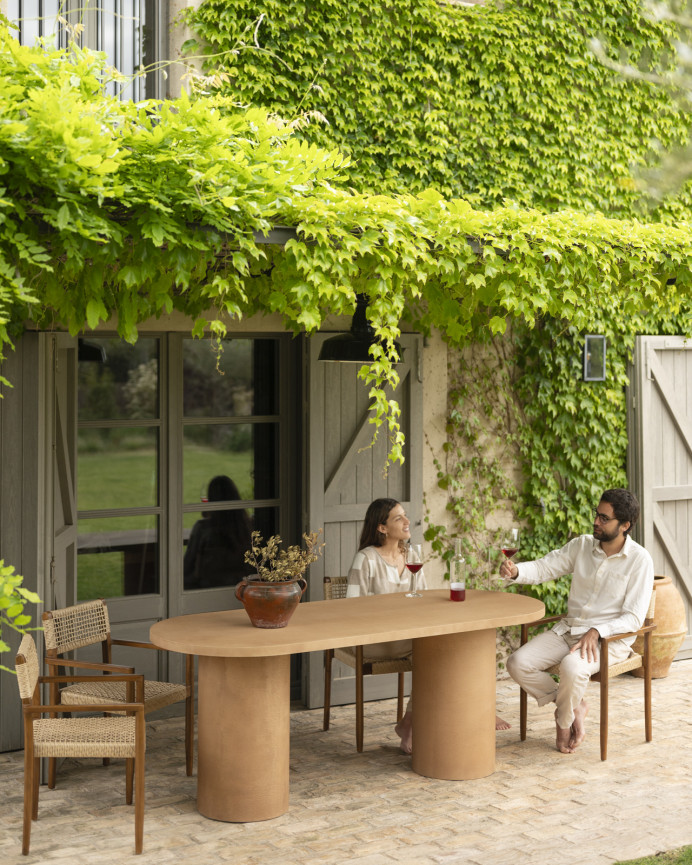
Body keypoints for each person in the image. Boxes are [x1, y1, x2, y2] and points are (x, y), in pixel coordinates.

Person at [347, 498, 509, 754]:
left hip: (409, 636)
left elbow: (420, 598)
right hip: (374, 640)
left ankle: (415, 721)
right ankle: (422, 721)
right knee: (433, 651)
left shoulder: (411, 555)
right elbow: (352, 607)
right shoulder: (365, 559)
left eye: (405, 515)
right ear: (382, 528)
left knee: (449, 647)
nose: (407, 522)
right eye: (398, 518)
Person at [502, 488, 654, 755]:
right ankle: (574, 707)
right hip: (569, 630)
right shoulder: (582, 545)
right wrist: (517, 571)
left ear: (625, 525)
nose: (596, 521)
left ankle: (563, 724)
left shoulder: (640, 561)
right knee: (517, 663)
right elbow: (545, 567)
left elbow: (633, 617)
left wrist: (598, 630)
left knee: (572, 667)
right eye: (597, 514)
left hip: (608, 640)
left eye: (605, 518)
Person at [184, 475, 253, 589]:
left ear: (212, 500)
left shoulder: (203, 528)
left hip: (208, 588)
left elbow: (187, 566)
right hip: (244, 587)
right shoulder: (248, 526)